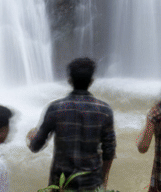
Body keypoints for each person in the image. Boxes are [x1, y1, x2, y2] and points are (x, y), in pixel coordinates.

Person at [27, 57, 115, 191]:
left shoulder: (55, 108)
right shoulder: (104, 110)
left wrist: (30, 136)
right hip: (91, 183)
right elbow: (109, 151)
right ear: (91, 81)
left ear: (69, 80)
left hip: (61, 184)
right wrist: (103, 179)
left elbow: (35, 146)